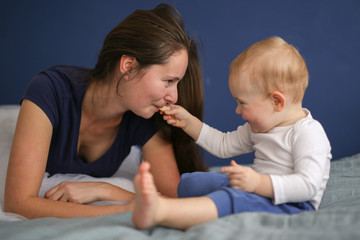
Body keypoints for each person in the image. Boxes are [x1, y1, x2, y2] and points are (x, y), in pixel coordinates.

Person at [4, 3, 207, 219]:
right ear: (128, 65)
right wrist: (120, 208)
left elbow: (173, 201)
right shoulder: (50, 89)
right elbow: (17, 203)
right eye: (168, 81)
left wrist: (105, 189)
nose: (174, 97)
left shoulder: (145, 114)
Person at [132, 36, 332, 230]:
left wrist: (258, 183)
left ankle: (161, 212)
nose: (237, 110)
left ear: (277, 101)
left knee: (229, 199)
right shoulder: (260, 127)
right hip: (255, 188)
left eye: (242, 103)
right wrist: (189, 122)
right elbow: (223, 144)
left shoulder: (308, 133)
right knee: (193, 182)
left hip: (291, 205)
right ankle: (182, 205)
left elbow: (308, 185)